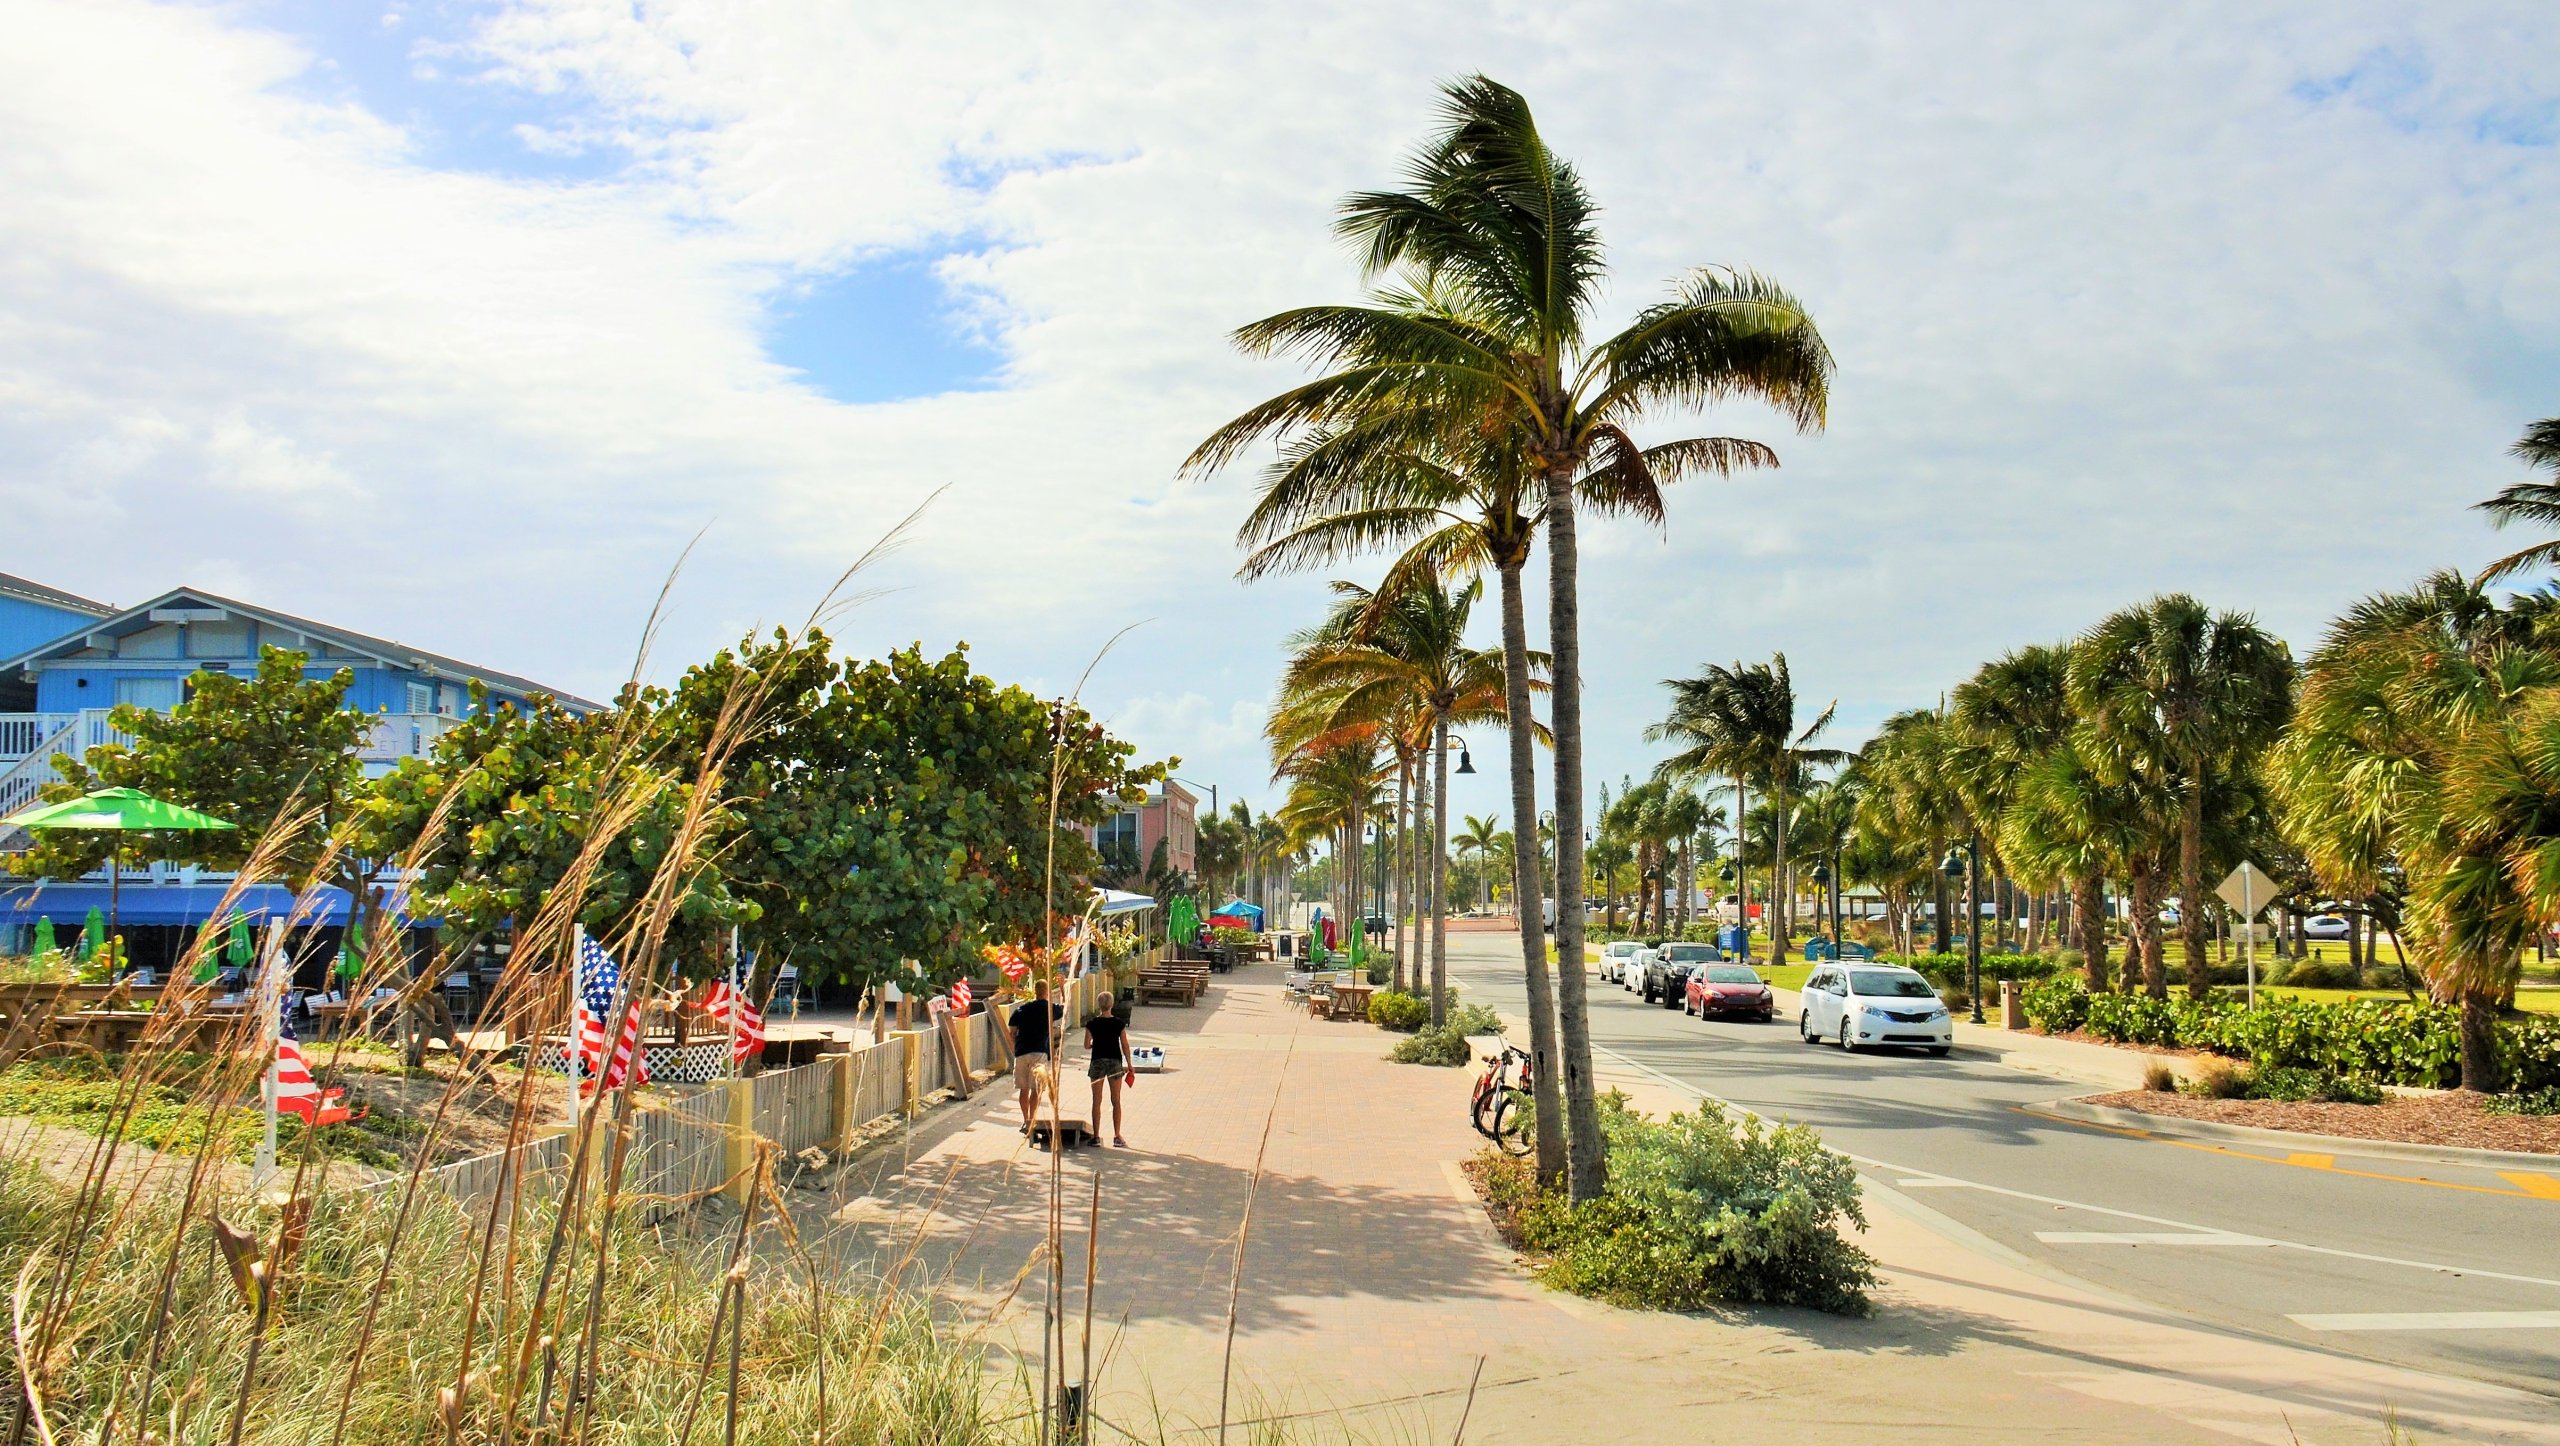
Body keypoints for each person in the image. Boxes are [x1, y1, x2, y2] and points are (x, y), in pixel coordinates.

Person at [1010, 978, 1062, 1133]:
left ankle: (1025, 1120)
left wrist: (1015, 1047)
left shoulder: (1022, 1009)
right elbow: (1065, 1009)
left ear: (1034, 991)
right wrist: (1062, 989)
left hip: (1021, 1052)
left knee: (1023, 1089)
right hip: (1039, 1051)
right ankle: (1032, 1120)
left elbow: (1011, 1031)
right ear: (1046, 992)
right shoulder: (1049, 1008)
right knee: (1036, 1089)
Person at [1084, 992, 1135, 1148]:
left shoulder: (1091, 1023)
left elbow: (1086, 1045)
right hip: (1114, 1061)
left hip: (1097, 1061)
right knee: (1116, 1100)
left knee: (1096, 1101)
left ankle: (1096, 1136)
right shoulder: (1118, 1023)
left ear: (1099, 1005)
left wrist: (1096, 1045)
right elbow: (1125, 1045)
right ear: (1112, 1005)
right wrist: (1129, 1064)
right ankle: (1117, 1135)